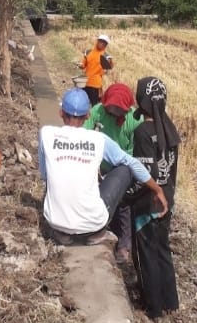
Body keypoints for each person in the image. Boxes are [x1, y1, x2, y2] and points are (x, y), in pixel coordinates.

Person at [38, 87, 167, 247]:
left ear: (60, 113)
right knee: (125, 169)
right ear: (88, 115)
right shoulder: (98, 139)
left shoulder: (46, 134)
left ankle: (62, 233)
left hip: (55, 222)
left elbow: (45, 175)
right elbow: (133, 163)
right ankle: (98, 233)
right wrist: (157, 190)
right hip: (92, 225)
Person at [125, 77, 181, 320]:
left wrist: (126, 197)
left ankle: (154, 307)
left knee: (146, 254)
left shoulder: (142, 132)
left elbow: (145, 174)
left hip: (148, 203)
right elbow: (170, 172)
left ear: (141, 101)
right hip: (167, 199)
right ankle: (171, 302)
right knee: (162, 250)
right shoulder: (170, 129)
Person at [83, 82, 142, 264]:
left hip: (122, 168)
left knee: (123, 203)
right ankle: (96, 229)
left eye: (119, 110)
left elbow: (134, 153)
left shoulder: (135, 120)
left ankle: (124, 245)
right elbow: (84, 137)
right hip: (97, 165)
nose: (114, 113)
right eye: (111, 109)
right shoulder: (97, 112)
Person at [80, 33, 113, 105]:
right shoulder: (88, 52)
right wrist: (80, 65)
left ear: (106, 45)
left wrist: (109, 62)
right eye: (100, 41)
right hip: (85, 82)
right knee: (82, 103)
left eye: (104, 43)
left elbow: (110, 67)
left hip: (96, 85)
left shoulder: (106, 56)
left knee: (94, 105)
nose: (102, 43)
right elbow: (83, 65)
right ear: (97, 41)